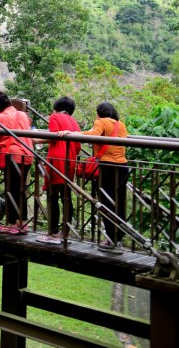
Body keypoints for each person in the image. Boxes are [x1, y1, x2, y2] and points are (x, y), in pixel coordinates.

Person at [62, 102, 128, 252]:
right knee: (119, 203)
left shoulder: (101, 121)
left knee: (106, 202)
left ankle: (111, 238)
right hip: (123, 167)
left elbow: (94, 134)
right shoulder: (121, 124)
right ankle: (118, 238)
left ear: (99, 112)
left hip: (108, 167)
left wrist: (73, 134)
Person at [36, 96, 81, 244]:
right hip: (71, 161)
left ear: (56, 108)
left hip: (57, 161)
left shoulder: (55, 117)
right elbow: (78, 146)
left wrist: (34, 139)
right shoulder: (74, 122)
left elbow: (53, 136)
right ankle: (65, 232)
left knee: (52, 196)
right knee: (66, 197)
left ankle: (53, 233)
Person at [0, 91, 35, 235]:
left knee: (11, 190)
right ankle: (22, 223)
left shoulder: (0, 117)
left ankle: (12, 224)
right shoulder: (22, 114)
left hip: (13, 156)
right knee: (20, 190)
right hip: (27, 154)